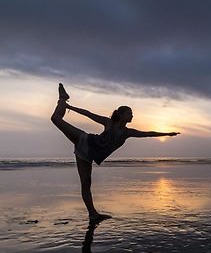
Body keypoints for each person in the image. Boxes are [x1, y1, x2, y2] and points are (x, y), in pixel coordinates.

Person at [51, 83, 180, 222]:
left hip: (86, 155)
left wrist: (167, 133)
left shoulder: (127, 132)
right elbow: (89, 114)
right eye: (130, 113)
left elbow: (148, 133)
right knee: (55, 119)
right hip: (86, 140)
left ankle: (92, 214)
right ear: (122, 114)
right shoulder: (109, 123)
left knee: (86, 183)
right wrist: (70, 107)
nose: (132, 115)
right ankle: (63, 99)